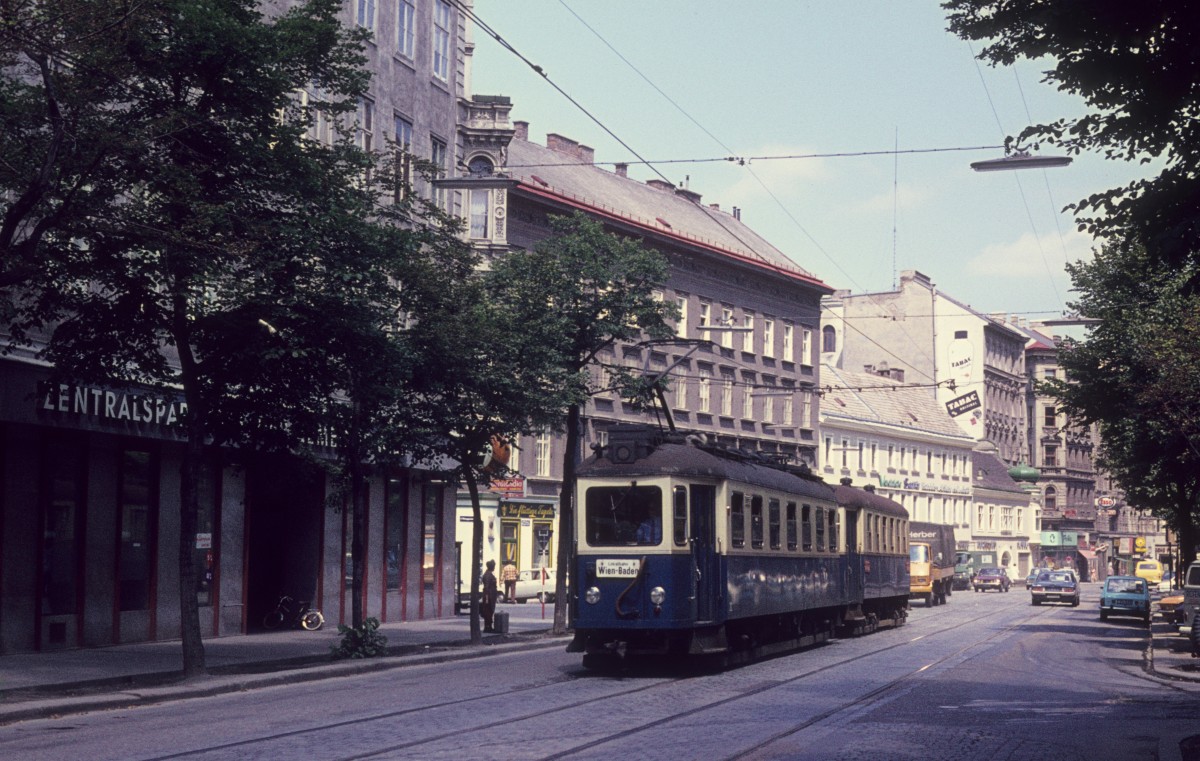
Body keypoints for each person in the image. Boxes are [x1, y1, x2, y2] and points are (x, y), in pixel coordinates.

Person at [480, 560, 498, 632]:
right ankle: (487, 627)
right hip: (489, 595)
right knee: (488, 611)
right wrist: (487, 598)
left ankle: (489, 626)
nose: (494, 567)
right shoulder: (487, 575)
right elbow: (486, 587)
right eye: (493, 566)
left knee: (490, 611)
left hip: (491, 595)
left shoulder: (489, 574)